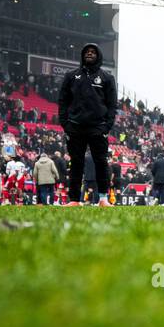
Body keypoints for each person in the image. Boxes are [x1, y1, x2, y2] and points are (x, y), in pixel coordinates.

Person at [57, 41, 117, 206]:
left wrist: (106, 126)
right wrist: (65, 123)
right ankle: (74, 199)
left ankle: (103, 199)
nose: (89, 54)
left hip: (98, 127)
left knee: (101, 163)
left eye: (93, 52)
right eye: (87, 52)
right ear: (83, 55)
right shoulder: (71, 76)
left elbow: (112, 105)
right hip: (75, 126)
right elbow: (63, 101)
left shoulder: (107, 78)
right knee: (76, 163)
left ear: (98, 56)